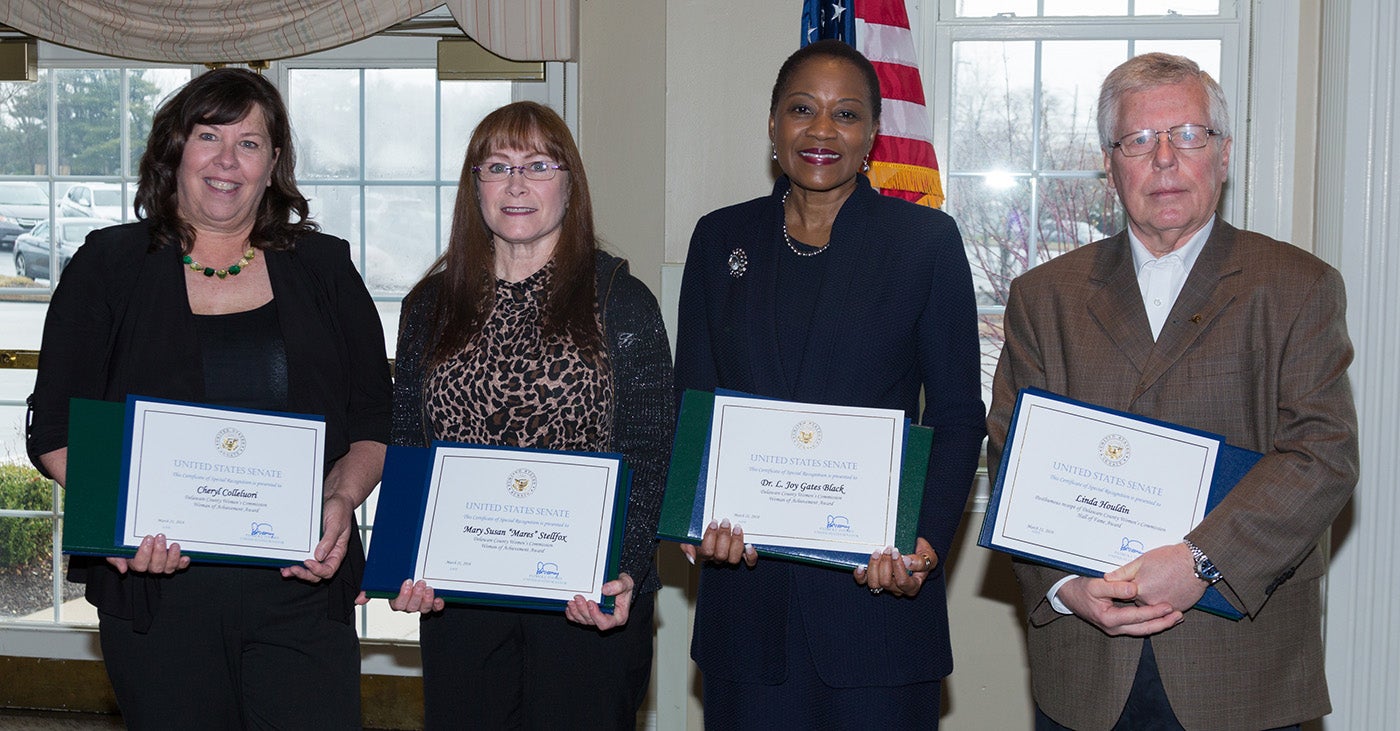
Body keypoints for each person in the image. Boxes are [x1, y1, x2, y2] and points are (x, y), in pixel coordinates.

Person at [986, 52, 1359, 731]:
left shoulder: (1297, 286)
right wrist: (1066, 588)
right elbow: (1012, 455)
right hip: (1085, 667)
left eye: (1187, 135)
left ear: (1223, 155)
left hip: (1243, 668)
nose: (1163, 158)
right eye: (1138, 140)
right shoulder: (1043, 298)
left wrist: (1202, 561)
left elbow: (1323, 455)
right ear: (1110, 163)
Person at [25, 67, 391, 728]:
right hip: (156, 594)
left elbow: (373, 417)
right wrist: (116, 519)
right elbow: (53, 426)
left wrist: (341, 497)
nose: (227, 159)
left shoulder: (325, 268)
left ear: (274, 162)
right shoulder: (107, 266)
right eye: (209, 135)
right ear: (176, 150)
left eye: (249, 143)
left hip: (300, 588)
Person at [672, 39, 986, 728]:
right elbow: (692, 401)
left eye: (845, 114)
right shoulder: (719, 238)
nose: (821, 130)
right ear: (773, 125)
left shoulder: (925, 243)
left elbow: (960, 414)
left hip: (878, 610)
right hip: (747, 613)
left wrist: (925, 546)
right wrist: (697, 521)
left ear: (873, 132)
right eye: (801, 110)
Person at [385, 100, 674, 729]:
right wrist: (406, 558)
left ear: (570, 184)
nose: (517, 184)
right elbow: (408, 440)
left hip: (585, 601)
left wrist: (623, 567)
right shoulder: (429, 305)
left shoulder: (621, 300)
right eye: (497, 166)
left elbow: (651, 453)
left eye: (538, 165)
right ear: (475, 186)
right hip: (461, 600)